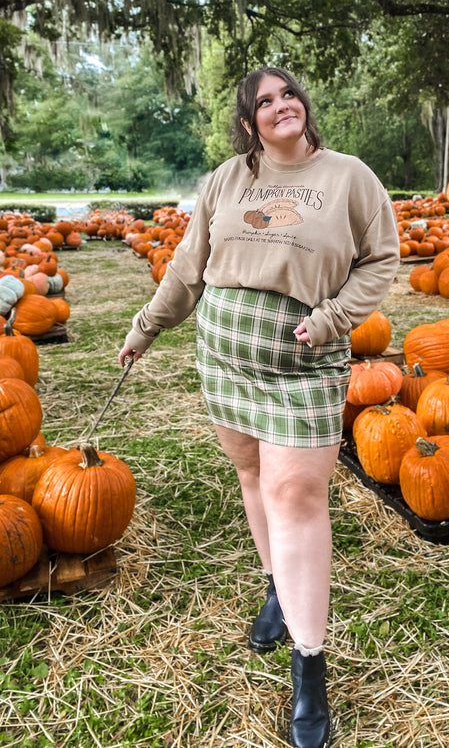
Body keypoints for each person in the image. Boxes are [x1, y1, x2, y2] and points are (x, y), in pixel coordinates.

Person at [118, 67, 400, 748]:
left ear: (304, 104)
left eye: (288, 94)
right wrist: (145, 327)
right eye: (264, 101)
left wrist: (334, 317)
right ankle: (276, 583)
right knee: (252, 475)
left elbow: (381, 258)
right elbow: (188, 267)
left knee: (296, 492)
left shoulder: (348, 176)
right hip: (226, 354)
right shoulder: (226, 180)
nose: (281, 106)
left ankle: (310, 664)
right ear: (248, 122)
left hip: (304, 358)